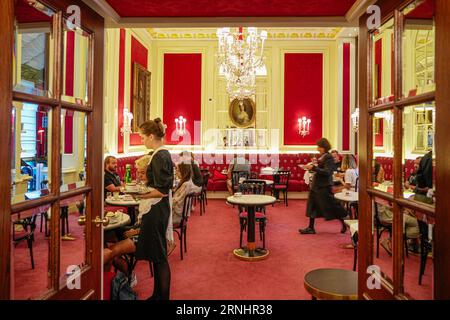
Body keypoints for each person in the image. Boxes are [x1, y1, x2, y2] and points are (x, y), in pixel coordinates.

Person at [299, 138, 348, 235]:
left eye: (319, 147)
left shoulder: (328, 157)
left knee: (330, 207)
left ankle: (343, 223)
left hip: (323, 187)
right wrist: (310, 168)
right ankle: (311, 228)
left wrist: (314, 167)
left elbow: (327, 172)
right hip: (316, 186)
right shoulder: (323, 156)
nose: (317, 148)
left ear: (324, 147)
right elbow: (319, 170)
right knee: (312, 206)